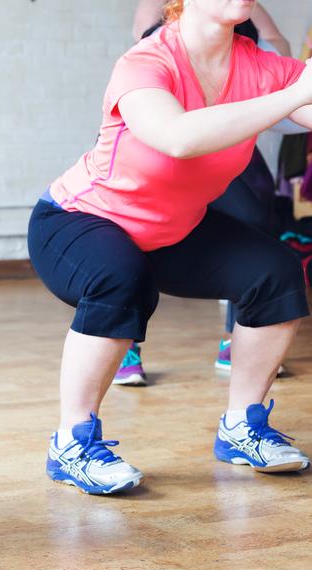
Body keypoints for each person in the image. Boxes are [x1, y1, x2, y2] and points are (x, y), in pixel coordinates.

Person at [30, 0, 312, 495]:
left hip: (172, 230)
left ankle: (241, 428)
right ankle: (70, 443)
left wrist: (295, 93)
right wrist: (290, 96)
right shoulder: (145, 62)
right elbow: (177, 137)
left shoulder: (260, 65)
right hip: (79, 221)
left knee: (275, 271)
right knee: (121, 279)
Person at [116, 0, 303, 385]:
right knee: (133, 238)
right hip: (169, 140)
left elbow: (278, 45)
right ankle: (125, 342)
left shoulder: (245, 12)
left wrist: (267, 80)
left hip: (226, 138)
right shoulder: (157, 33)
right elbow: (151, 55)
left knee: (254, 216)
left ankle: (236, 339)